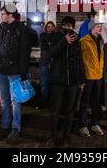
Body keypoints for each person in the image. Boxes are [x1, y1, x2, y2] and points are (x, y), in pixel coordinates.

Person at [45, 16, 85, 147]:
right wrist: (64, 41)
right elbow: (50, 54)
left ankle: (67, 135)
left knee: (70, 109)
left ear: (73, 27)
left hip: (73, 80)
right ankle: (53, 135)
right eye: (65, 26)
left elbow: (80, 61)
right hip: (58, 79)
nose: (68, 28)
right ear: (62, 26)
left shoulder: (77, 40)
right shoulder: (55, 37)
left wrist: (81, 79)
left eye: (70, 26)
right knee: (55, 109)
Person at [0, 3, 29, 145]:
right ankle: (5, 126)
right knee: (5, 101)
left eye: (3, 14)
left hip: (15, 72)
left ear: (11, 15)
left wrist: (23, 71)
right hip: (0, 70)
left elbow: (24, 51)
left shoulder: (21, 29)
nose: (1, 16)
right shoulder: (2, 27)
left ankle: (16, 128)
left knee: (16, 101)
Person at [78, 21, 105, 137]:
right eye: (98, 27)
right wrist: (82, 78)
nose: (100, 29)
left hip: (98, 76)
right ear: (92, 28)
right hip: (88, 76)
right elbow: (80, 61)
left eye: (100, 27)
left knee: (96, 101)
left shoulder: (101, 41)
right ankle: (83, 126)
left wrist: (101, 70)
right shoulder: (83, 41)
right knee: (85, 102)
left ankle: (95, 124)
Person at [38, 21, 56, 110]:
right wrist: (51, 45)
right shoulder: (42, 35)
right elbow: (44, 47)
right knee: (44, 84)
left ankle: (51, 103)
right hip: (44, 63)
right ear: (45, 28)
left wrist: (50, 44)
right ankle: (42, 103)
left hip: (54, 63)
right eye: (48, 26)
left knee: (53, 84)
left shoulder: (56, 36)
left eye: (51, 26)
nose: (50, 28)